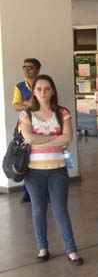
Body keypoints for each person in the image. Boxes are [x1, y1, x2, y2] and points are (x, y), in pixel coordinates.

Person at [19, 74, 83, 265]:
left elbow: (68, 138)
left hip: (58, 170)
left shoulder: (62, 112)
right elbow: (29, 139)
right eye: (39, 89)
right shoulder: (26, 114)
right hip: (33, 172)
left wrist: (41, 138)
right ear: (34, 91)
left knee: (60, 210)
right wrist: (55, 138)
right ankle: (42, 248)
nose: (43, 92)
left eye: (47, 88)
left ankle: (71, 250)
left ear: (53, 90)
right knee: (38, 210)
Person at [13, 58, 42, 203]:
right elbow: (16, 106)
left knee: (41, 157)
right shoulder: (19, 86)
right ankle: (27, 193)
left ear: (38, 69)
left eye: (30, 67)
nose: (26, 70)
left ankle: (44, 192)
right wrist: (27, 104)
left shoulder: (44, 84)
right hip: (26, 126)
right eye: (24, 67)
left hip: (43, 125)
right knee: (26, 158)